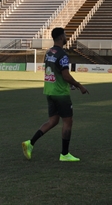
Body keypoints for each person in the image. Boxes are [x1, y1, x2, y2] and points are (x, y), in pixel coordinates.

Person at [22, 28, 89, 161]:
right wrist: (79, 85)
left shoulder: (49, 52)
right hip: (60, 93)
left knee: (53, 121)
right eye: (65, 35)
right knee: (68, 122)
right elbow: (65, 75)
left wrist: (68, 83)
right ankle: (64, 154)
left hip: (50, 90)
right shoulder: (62, 54)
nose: (66, 37)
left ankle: (30, 143)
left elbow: (55, 71)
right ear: (60, 37)